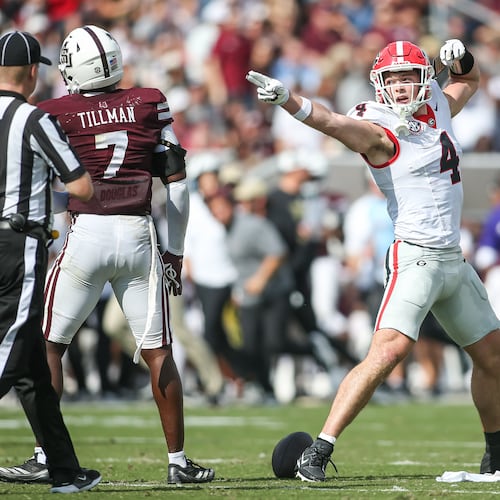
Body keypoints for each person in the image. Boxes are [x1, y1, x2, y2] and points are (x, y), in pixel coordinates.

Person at [247, 38, 500, 481]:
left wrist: (460, 58)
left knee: (494, 358)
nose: (401, 87)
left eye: (408, 77)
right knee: (389, 352)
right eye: (392, 79)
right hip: (417, 258)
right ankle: (319, 450)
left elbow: (469, 78)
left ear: (424, 79)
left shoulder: (437, 104)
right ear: (379, 85)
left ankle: (495, 453)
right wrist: (289, 100)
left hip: (453, 261)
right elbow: (331, 122)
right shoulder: (379, 130)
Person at [0, 25, 214, 486]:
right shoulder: (148, 101)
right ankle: (178, 462)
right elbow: (177, 181)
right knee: (159, 351)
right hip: (139, 233)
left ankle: (45, 454)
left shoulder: (52, 111)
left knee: (49, 346)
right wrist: (174, 251)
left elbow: (50, 185)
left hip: (87, 234)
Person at [0, 30, 101, 493]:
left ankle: (63, 470)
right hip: (17, 245)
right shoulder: (33, 119)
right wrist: (42, 196)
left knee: (33, 371)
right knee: (11, 349)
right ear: (34, 73)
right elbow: (81, 187)